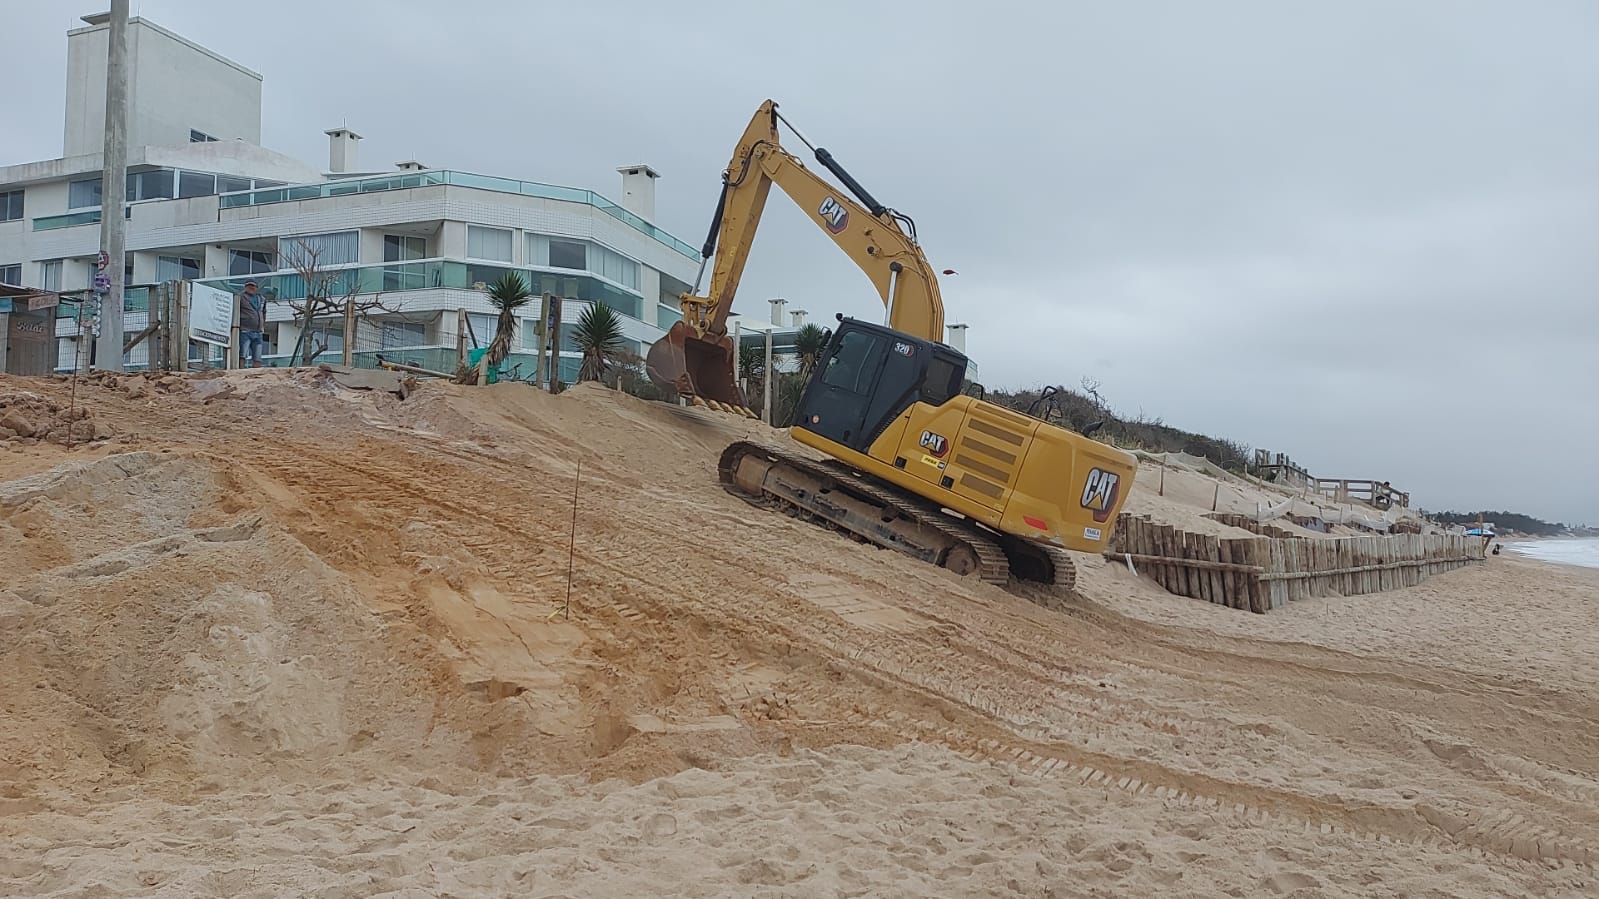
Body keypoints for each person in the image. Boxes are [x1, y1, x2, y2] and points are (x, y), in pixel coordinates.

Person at [238, 280, 266, 368]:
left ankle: (256, 374)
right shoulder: (241, 297)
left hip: (258, 331)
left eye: (253, 286)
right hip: (245, 330)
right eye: (249, 286)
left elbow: (264, 312)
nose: (251, 288)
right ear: (245, 287)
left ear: (257, 288)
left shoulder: (262, 299)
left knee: (258, 356)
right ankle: (240, 371)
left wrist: (262, 324)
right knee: (242, 353)